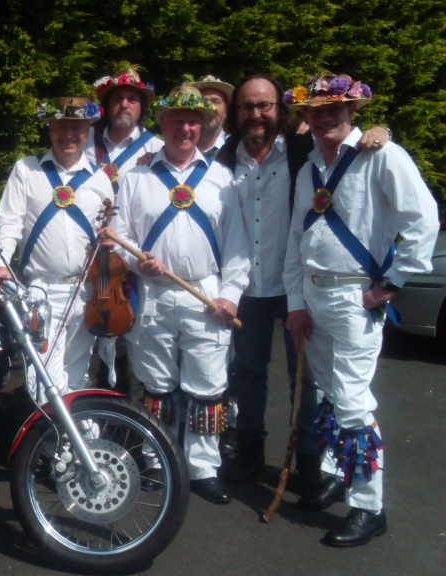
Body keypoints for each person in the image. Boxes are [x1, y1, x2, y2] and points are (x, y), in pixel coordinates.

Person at [283, 73, 438, 546]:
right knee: (329, 392)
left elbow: (424, 219)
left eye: (335, 109)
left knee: (352, 402)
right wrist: (295, 304)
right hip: (314, 294)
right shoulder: (309, 168)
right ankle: (336, 474)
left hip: (356, 298)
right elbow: (295, 240)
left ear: (352, 113)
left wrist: (391, 284)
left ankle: (370, 507)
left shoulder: (382, 156)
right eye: (316, 110)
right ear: (306, 118)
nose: (325, 116)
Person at [212, 74, 390, 484]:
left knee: (307, 375)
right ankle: (251, 450)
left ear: (280, 111)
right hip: (247, 286)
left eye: (265, 105)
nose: (255, 114)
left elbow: (344, 140)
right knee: (249, 372)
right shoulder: (222, 160)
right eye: (246, 106)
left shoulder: (301, 151)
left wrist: (380, 130)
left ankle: (310, 458)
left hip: (299, 285)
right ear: (236, 113)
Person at [112, 85, 249, 505]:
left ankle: (204, 468)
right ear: (163, 123)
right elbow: (118, 238)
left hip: (205, 294)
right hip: (154, 293)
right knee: (155, 383)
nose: (185, 128)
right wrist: (137, 263)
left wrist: (231, 295)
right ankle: (159, 461)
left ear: (203, 126)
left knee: (206, 384)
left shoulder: (222, 179)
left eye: (193, 122)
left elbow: (239, 245)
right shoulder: (136, 177)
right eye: (177, 120)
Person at [0, 97, 112, 404]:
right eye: (61, 126)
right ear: (49, 128)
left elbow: (115, 231)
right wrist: (2, 263)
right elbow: (9, 222)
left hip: (86, 291)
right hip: (41, 292)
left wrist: (110, 240)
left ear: (87, 130)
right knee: (41, 380)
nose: (68, 134)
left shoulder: (101, 178)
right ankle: (52, 449)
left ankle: (81, 446)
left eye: (76, 126)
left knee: (79, 375)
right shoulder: (26, 170)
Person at [85, 67, 164, 391]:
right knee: (89, 334)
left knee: (139, 342)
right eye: (118, 98)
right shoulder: (87, 142)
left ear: (142, 106)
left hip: (135, 253)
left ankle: (131, 410)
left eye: (132, 99)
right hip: (91, 254)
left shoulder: (158, 148)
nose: (124, 104)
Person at [191, 75, 234, 157]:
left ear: (227, 111)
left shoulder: (236, 148)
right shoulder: (181, 148)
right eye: (202, 101)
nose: (209, 107)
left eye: (215, 101)